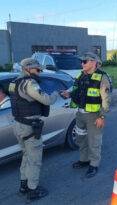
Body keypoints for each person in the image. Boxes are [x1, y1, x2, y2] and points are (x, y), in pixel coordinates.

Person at [9, 58, 59, 201]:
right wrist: (56, 94)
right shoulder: (29, 83)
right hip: (29, 127)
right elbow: (47, 100)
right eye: (37, 69)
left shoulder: (14, 83)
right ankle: (33, 190)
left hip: (18, 125)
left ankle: (24, 185)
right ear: (27, 69)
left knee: (26, 156)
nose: (39, 72)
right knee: (35, 159)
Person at [60, 52, 111, 178]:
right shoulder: (81, 75)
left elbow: (106, 99)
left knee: (94, 141)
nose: (82, 63)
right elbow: (76, 89)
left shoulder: (102, 77)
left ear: (94, 62)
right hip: (80, 114)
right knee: (80, 138)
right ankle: (84, 160)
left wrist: (102, 116)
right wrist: (68, 93)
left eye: (85, 61)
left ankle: (94, 164)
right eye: (81, 61)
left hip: (94, 115)